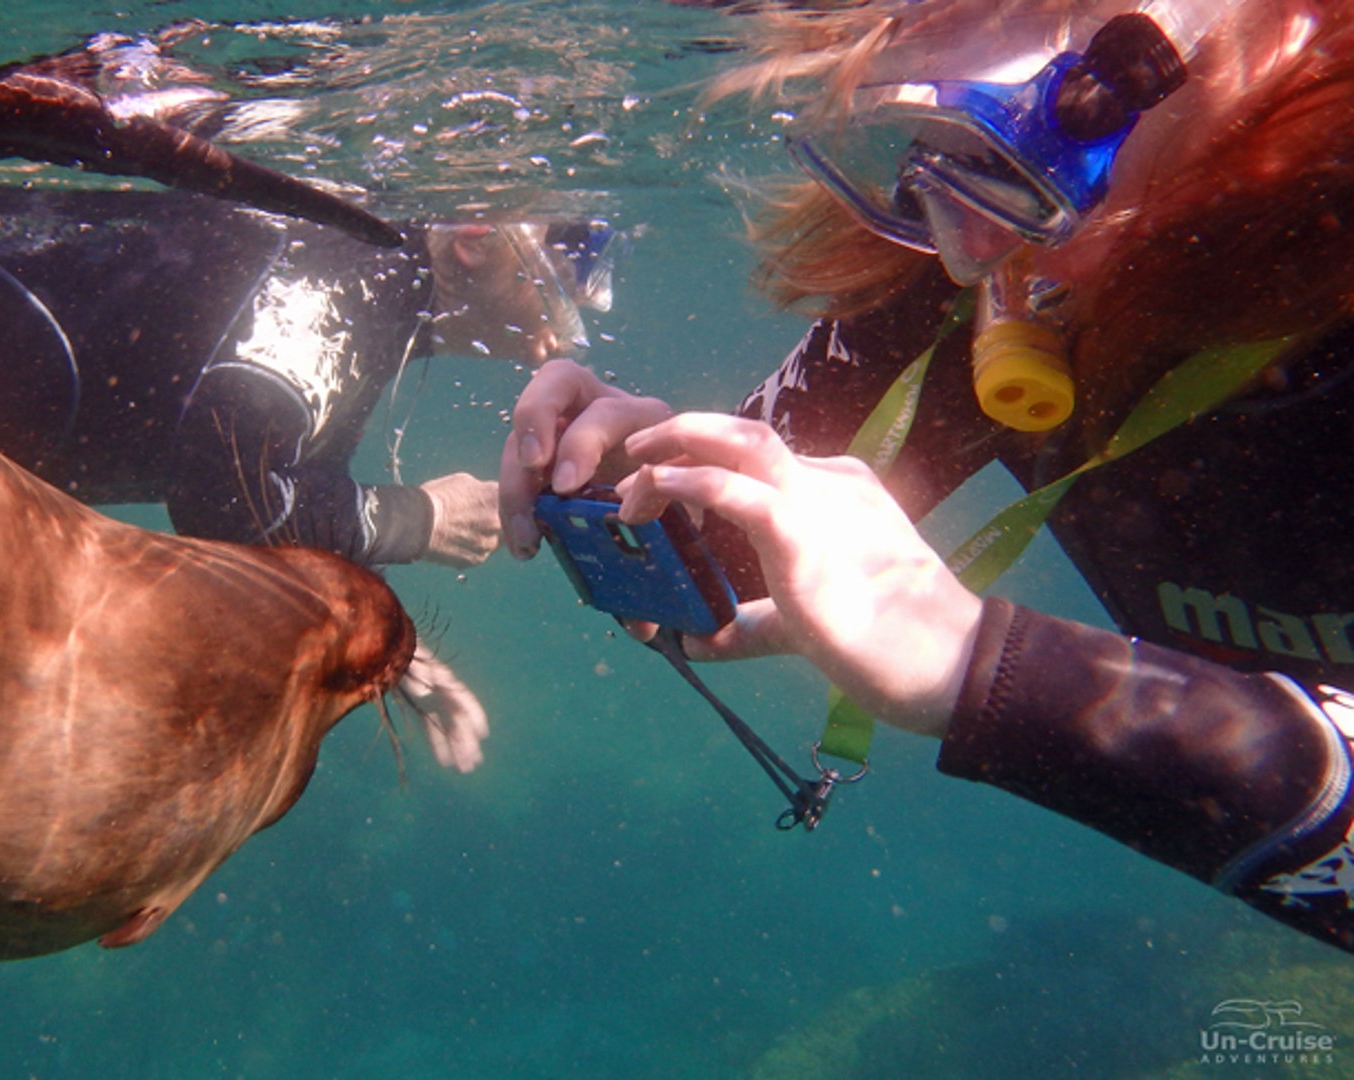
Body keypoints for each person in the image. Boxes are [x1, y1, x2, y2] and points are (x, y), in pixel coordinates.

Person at [501, 0, 1354, 952]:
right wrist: (651, 482)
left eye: (1030, 141)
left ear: (1279, 23)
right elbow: (725, 579)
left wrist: (980, 665)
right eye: (923, 157)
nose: (970, 246)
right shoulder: (1006, 275)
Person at [0, 182, 622, 773]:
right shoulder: (344, 280)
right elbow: (225, 488)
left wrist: (393, 653)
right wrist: (415, 520)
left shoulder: (363, 286)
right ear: (473, 237)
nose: (590, 292)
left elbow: (281, 487)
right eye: (571, 249)